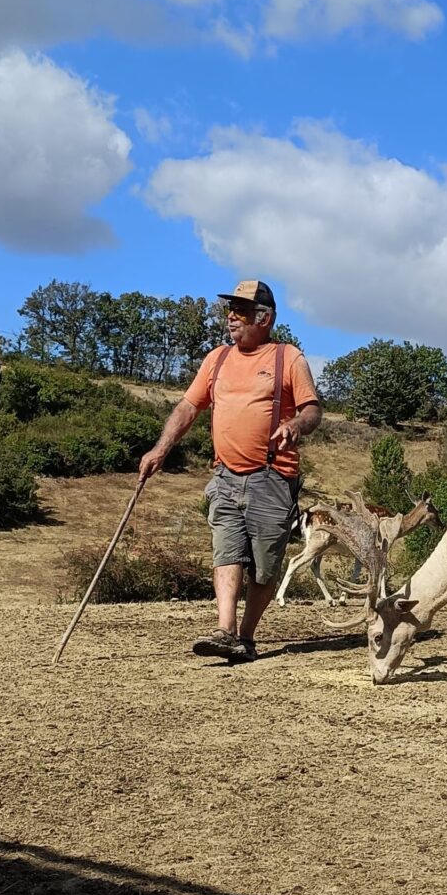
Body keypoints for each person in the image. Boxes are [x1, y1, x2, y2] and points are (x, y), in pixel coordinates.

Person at [138, 279, 322, 662]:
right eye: (230, 310)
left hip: (272, 478)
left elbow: (312, 410)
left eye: (240, 311)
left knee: (266, 567)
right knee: (227, 551)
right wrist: (160, 449)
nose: (230, 318)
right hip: (224, 476)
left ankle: (246, 637)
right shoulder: (216, 359)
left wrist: (294, 425)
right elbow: (188, 408)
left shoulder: (288, 359)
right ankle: (225, 630)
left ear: (265, 317)